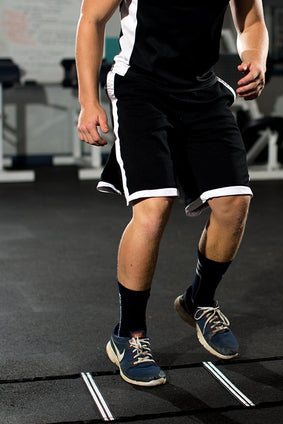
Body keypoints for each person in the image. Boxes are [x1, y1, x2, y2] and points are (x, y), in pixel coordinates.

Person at [75, 0, 268, 387]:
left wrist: (255, 57)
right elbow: (91, 19)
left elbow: (252, 19)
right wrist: (88, 101)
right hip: (140, 89)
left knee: (234, 203)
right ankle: (128, 334)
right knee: (153, 209)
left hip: (201, 89)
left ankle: (200, 300)